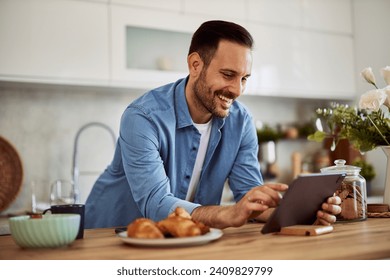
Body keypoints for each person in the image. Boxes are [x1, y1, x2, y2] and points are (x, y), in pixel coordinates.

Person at [85, 20, 341, 229]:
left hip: (185, 239)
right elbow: (155, 203)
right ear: (195, 65)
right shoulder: (142, 118)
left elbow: (250, 199)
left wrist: (302, 215)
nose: (237, 90)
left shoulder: (241, 122)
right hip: (112, 238)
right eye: (228, 75)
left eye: (244, 78)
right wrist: (227, 214)